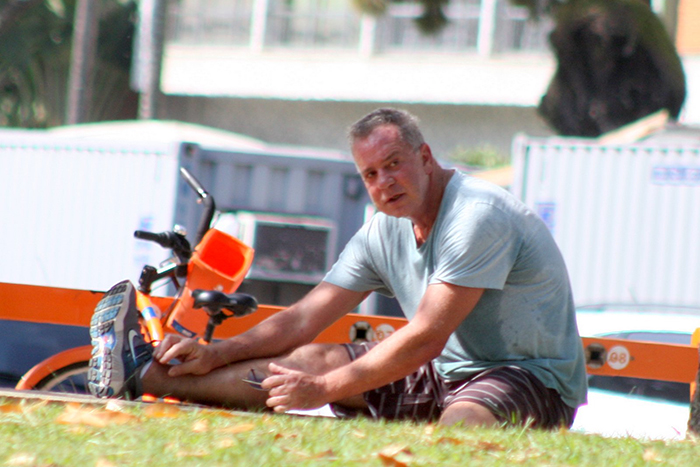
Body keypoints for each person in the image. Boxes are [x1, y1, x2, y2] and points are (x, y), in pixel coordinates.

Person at [88, 108, 587, 428]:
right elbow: (303, 318)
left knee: (463, 421)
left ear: (426, 157)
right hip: (444, 371)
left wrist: (323, 392)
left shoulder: (476, 216)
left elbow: (427, 336)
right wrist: (219, 353)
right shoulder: (384, 228)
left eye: (393, 164)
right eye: (370, 174)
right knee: (316, 356)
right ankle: (144, 374)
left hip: (528, 376)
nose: (384, 182)